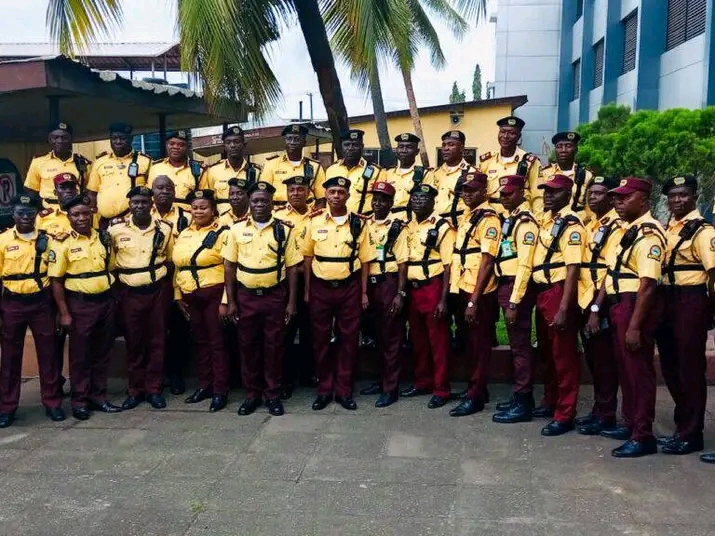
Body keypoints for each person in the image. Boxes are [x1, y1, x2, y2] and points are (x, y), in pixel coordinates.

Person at [586, 177, 665, 458]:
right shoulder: (628, 231)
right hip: (620, 303)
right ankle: (631, 423)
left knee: (638, 372)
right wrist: (598, 307)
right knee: (626, 371)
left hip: (635, 305)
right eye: (616, 198)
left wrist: (634, 326)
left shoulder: (649, 234)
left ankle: (643, 435)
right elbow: (612, 272)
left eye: (625, 198)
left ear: (642, 200)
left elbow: (647, 285)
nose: (618, 202)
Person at [223, 181, 301, 417]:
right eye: (255, 200)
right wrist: (231, 300)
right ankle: (251, 395)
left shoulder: (283, 230)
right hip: (246, 296)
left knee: (274, 347)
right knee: (248, 347)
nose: (259, 204)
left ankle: (273, 395)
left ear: (271, 203)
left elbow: (293, 268)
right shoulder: (236, 230)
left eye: (264, 201)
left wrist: (291, 303)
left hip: (274, 296)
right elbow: (229, 266)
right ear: (249, 202)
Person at [301, 177, 375, 411]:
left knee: (349, 339)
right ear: (325, 194)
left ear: (348, 196)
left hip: (349, 286)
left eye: (341, 192)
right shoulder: (314, 221)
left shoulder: (359, 223)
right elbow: (307, 257)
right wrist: (307, 290)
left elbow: (365, 261)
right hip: (321, 286)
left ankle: (344, 390)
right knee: (320, 339)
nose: (336, 196)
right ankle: (324, 388)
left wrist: (363, 292)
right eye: (332, 191)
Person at [655, 175, 715, 456]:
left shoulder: (703, 231)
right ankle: (682, 427)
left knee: (690, 368)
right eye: (672, 196)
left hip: (690, 299)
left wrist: (710, 309)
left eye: (683, 195)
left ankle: (692, 434)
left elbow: (713, 273)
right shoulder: (669, 228)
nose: (677, 200)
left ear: (694, 197)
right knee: (671, 365)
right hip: (667, 299)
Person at [48, 195, 120, 420]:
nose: (81, 218)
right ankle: (79, 400)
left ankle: (99, 397)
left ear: (92, 214)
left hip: (105, 301)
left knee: (102, 352)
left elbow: (111, 268)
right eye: (75, 215)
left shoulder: (103, 238)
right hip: (80, 304)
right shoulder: (62, 243)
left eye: (85, 213)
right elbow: (56, 280)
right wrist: (64, 313)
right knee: (80, 355)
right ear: (68, 218)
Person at [0, 195, 64, 427]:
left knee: (48, 354)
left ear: (36, 214)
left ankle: (53, 402)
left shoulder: (49, 240)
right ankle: (7, 407)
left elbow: (56, 274)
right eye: (20, 212)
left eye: (29, 212)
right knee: (9, 356)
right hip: (13, 302)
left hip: (41, 302)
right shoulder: (3, 240)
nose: (25, 217)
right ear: (13, 214)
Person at [109, 186, 174, 410]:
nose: (140, 206)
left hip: (156, 291)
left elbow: (170, 259)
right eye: (135, 202)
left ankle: (154, 389)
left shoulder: (164, 229)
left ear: (151, 204)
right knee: (134, 343)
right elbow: (111, 264)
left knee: (158, 341)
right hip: (129, 293)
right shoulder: (116, 231)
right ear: (129, 205)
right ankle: (135, 390)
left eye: (144, 202)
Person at [531, 174, 585, 436]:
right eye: (546, 191)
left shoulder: (571, 225)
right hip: (543, 291)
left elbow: (573, 268)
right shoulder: (546, 221)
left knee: (563, 356)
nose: (548, 195)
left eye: (554, 192)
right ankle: (551, 400)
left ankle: (565, 414)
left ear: (569, 194)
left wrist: (564, 308)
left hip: (558, 291)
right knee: (547, 353)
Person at [172, 189, 230, 412]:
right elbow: (178, 265)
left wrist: (226, 300)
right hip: (189, 294)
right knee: (200, 342)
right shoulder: (184, 233)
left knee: (217, 343)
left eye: (203, 207)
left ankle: (220, 390)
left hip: (213, 292)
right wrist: (178, 295)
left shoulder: (223, 232)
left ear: (213, 209)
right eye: (194, 207)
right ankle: (205, 385)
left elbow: (229, 268)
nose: (198, 211)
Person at [449, 173, 501, 417]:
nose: (467, 193)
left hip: (478, 290)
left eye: (472, 189)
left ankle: (476, 396)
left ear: (484, 192)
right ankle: (476, 387)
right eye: (464, 190)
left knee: (480, 345)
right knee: (470, 342)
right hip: (463, 283)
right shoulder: (469, 215)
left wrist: (474, 300)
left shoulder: (489, 219)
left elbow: (487, 261)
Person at [400, 184, 456, 409]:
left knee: (438, 341)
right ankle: (422, 381)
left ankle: (441, 389)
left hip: (433, 287)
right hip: (413, 290)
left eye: (423, 198)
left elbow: (448, 266)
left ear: (433, 202)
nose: (418, 202)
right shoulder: (408, 226)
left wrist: (444, 300)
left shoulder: (442, 227)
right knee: (418, 339)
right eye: (414, 198)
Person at [576, 176, 623, 436]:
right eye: (590, 193)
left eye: (600, 193)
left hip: (600, 300)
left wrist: (596, 308)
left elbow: (609, 270)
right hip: (586, 298)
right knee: (594, 358)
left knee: (604, 360)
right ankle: (598, 409)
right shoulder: (592, 223)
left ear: (612, 197)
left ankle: (606, 415)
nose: (593, 197)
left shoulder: (616, 226)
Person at [491, 175, 539, 424]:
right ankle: (520, 397)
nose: (504, 197)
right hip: (505, 284)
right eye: (502, 193)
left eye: (509, 193)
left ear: (522, 193)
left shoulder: (526, 223)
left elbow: (525, 265)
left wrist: (514, 301)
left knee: (520, 346)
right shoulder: (510, 219)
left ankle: (523, 402)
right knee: (515, 344)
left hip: (515, 288)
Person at [360, 182, 408, 408]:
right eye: (375, 199)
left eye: (383, 200)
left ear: (391, 203)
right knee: (377, 337)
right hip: (370, 285)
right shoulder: (364, 223)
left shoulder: (397, 227)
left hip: (389, 284)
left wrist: (400, 293)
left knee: (391, 338)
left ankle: (391, 388)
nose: (378, 203)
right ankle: (380, 381)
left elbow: (402, 263)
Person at [274, 175, 316, 395]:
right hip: (285, 282)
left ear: (308, 192)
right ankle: (285, 379)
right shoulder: (277, 216)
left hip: (310, 280)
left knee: (310, 330)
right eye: (292, 190)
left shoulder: (318, 216)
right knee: (285, 331)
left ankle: (308, 374)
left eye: (300, 189)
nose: (296, 193)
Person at [151, 175, 192, 395]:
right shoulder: (143, 214)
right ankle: (159, 374)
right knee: (156, 329)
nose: (164, 192)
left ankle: (176, 374)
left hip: (181, 276)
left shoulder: (186, 216)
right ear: (152, 192)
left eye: (168, 188)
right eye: (159, 188)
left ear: (175, 192)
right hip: (157, 278)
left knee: (178, 329)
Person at [86, 122, 152, 228]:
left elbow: (151, 194)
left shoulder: (145, 161)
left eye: (122, 138)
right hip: (105, 222)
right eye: (114, 138)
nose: (118, 142)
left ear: (131, 139)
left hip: (133, 221)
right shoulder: (100, 162)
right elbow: (92, 193)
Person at [479, 116, 542, 219]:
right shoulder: (487, 161)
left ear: (519, 136)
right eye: (503, 132)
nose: (506, 136)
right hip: (490, 216)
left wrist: (538, 220)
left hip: (517, 217)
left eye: (512, 133)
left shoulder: (529, 162)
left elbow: (538, 195)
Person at [24, 121, 91, 207]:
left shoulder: (83, 163)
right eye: (55, 137)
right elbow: (31, 190)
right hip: (49, 214)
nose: (60, 141)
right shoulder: (38, 162)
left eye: (64, 137)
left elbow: (90, 190)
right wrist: (39, 209)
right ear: (50, 139)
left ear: (71, 140)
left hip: (75, 212)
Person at [262, 124, 326, 207]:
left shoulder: (315, 167)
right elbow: (263, 195)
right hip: (279, 214)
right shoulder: (271, 165)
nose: (292, 142)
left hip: (306, 214)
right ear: (285, 141)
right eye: (289, 139)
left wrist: (314, 218)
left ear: (304, 143)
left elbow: (321, 199)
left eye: (297, 139)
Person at [325, 130, 385, 215]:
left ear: (362, 146)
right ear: (341, 147)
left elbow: (381, 201)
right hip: (333, 222)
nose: (350, 148)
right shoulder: (331, 170)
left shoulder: (375, 171)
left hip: (363, 222)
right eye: (347, 145)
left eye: (355, 145)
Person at [200, 125, 261, 207]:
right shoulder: (213, 170)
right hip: (222, 218)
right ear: (224, 147)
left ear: (244, 145)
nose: (232, 145)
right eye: (228, 142)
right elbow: (209, 199)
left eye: (237, 142)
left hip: (247, 218)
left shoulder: (256, 171)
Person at [539, 132, 594, 223]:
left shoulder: (586, 175)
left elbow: (589, 208)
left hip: (577, 224)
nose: (563, 150)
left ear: (576, 149)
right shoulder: (545, 173)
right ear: (555, 150)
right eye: (559, 146)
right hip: (548, 223)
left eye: (568, 146)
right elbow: (539, 202)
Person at [382, 133, 436, 219]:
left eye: (409, 147)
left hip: (410, 221)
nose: (404, 150)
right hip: (388, 219)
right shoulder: (387, 173)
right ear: (396, 150)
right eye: (401, 147)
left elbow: (429, 202)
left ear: (417, 152)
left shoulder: (424, 174)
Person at [147, 130, 204, 209]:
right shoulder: (155, 168)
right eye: (172, 144)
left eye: (181, 145)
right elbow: (150, 194)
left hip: (187, 216)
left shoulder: (198, 169)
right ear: (166, 145)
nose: (176, 147)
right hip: (160, 215)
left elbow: (203, 198)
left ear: (188, 147)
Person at [433, 130, 477, 227]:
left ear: (461, 148)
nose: (445, 148)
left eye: (451, 145)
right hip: (435, 224)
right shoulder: (435, 173)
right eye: (443, 145)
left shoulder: (471, 173)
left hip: (458, 224)